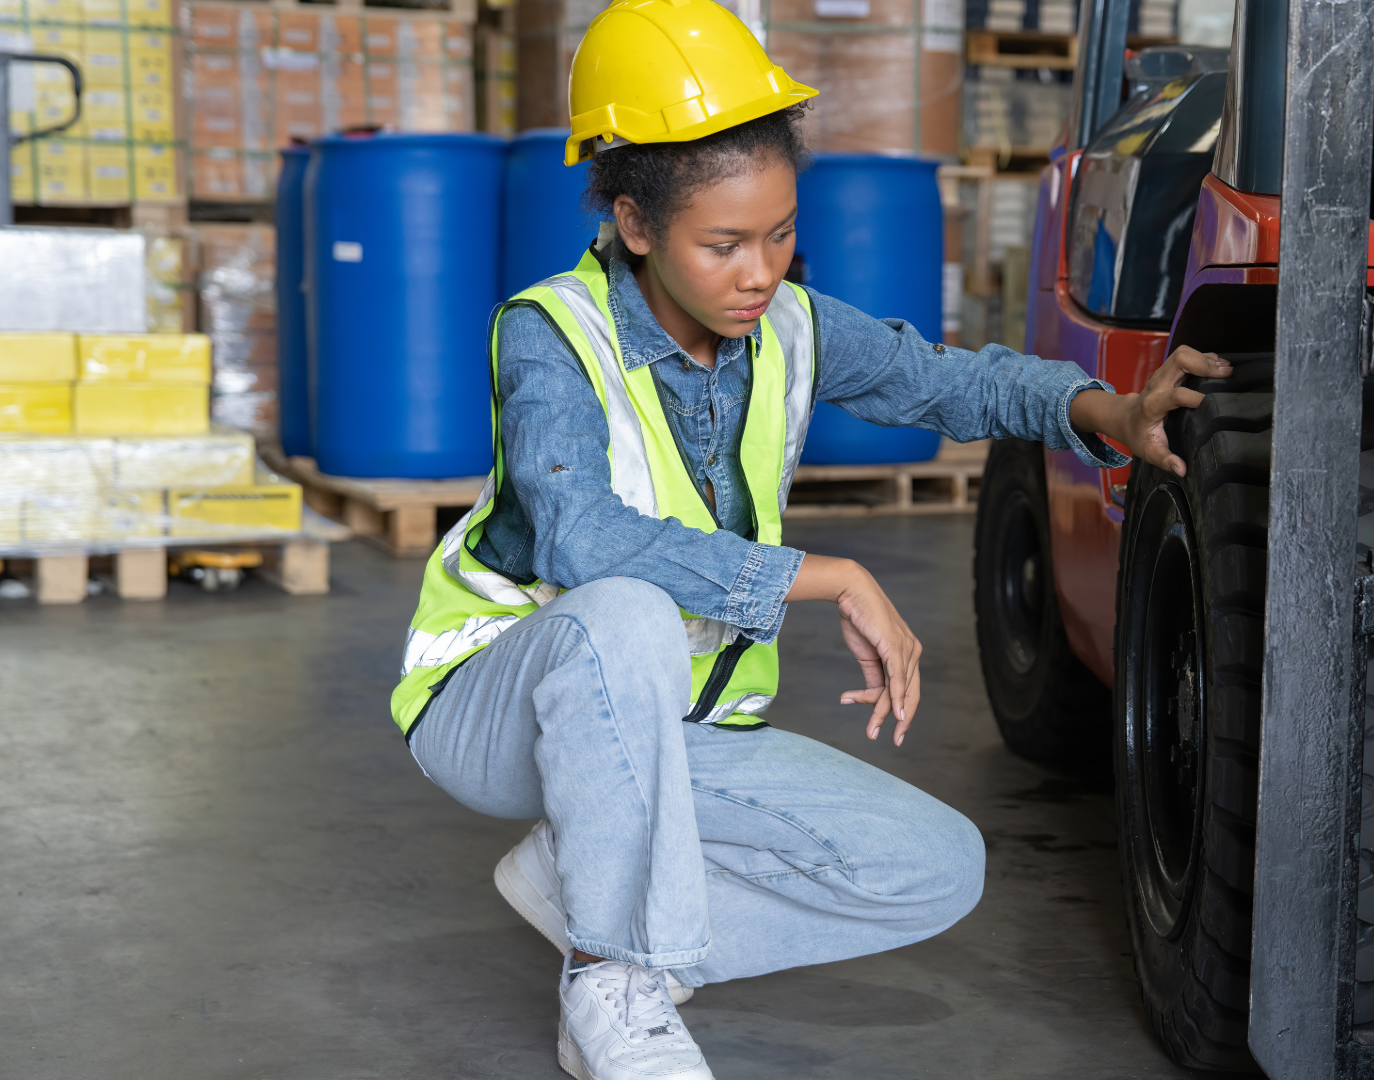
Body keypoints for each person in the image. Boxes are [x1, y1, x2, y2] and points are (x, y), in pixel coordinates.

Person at [390, 1, 1231, 1077]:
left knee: (934, 866)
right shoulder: (550, 333)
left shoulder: (787, 322)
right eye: (724, 244)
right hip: (493, 707)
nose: (760, 272)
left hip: (669, 732)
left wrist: (1106, 411)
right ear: (636, 226)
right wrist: (823, 575)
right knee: (624, 606)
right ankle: (608, 979)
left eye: (780, 233)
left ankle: (601, 905)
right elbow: (579, 537)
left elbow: (945, 379)